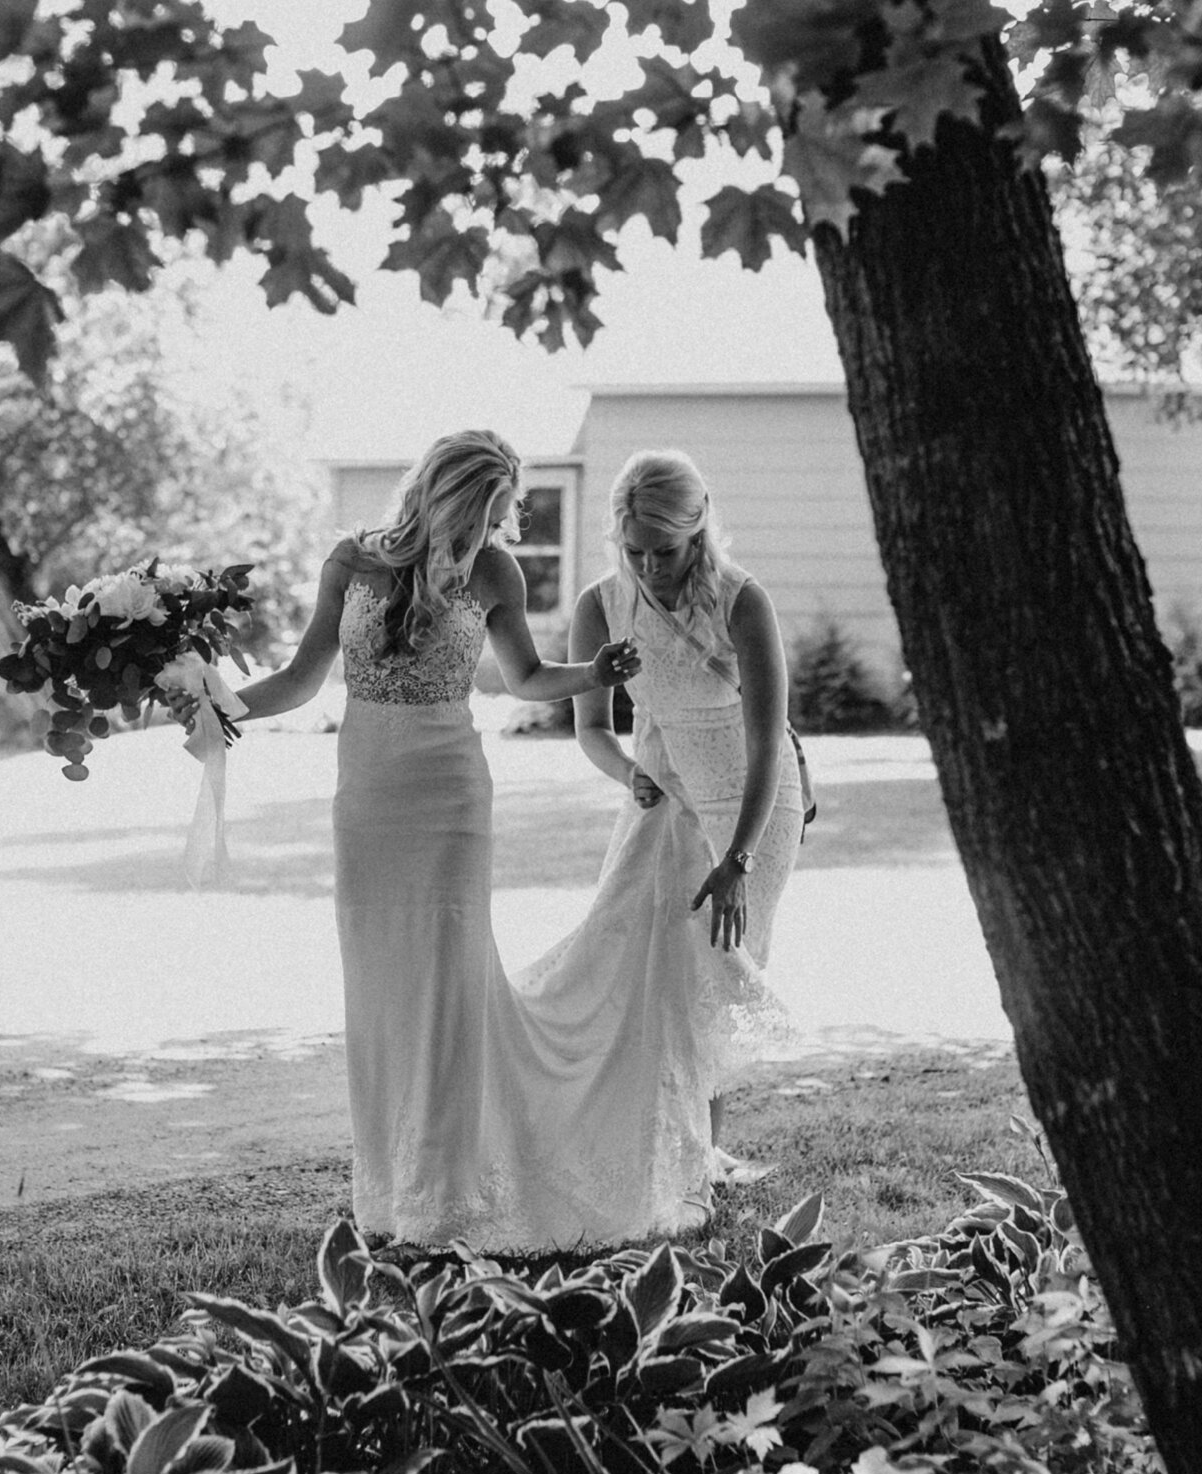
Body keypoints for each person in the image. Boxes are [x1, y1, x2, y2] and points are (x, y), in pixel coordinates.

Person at [217, 429, 673, 1252]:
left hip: (451, 796)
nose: (498, 528)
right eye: (490, 510)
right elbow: (299, 677)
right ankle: (392, 1192)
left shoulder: (494, 571)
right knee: (381, 987)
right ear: (450, 494)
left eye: (502, 513)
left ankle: (449, 1193)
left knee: (448, 985)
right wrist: (219, 711)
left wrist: (595, 678)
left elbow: (528, 678)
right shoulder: (350, 562)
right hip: (368, 797)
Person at [531, 448, 801, 1186]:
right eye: (634, 552)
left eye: (666, 552)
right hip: (663, 799)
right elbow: (590, 729)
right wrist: (631, 776)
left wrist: (738, 861)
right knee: (643, 970)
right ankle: (657, 1145)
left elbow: (766, 736)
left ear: (699, 529)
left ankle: (701, 1157)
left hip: (752, 803)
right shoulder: (600, 605)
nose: (649, 568)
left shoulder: (742, 601)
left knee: (716, 976)